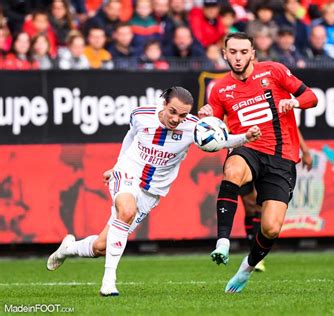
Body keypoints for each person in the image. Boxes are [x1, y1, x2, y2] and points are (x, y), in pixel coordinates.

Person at [46, 86, 262, 296]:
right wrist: (116, 166)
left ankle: (68, 248)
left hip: (152, 192)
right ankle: (108, 282)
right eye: (173, 112)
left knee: (102, 246)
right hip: (128, 172)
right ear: (164, 104)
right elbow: (130, 136)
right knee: (126, 210)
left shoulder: (194, 127)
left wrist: (245, 137)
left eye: (183, 115)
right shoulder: (141, 115)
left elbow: (221, 141)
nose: (177, 119)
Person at [198, 32, 318, 293]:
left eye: (243, 52)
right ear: (224, 54)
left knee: (272, 228)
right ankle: (222, 242)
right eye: (233, 52)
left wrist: (294, 101)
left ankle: (247, 267)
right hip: (247, 148)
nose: (238, 57)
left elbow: (312, 97)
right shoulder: (219, 89)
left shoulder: (274, 71)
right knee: (232, 169)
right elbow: (214, 134)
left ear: (253, 53)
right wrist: (206, 116)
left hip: (281, 156)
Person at [240, 129, 313, 272]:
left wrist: (305, 151)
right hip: (242, 153)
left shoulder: (274, 107)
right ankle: (252, 250)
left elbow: (291, 125)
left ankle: (256, 256)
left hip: (267, 155)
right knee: (249, 205)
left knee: (258, 205)